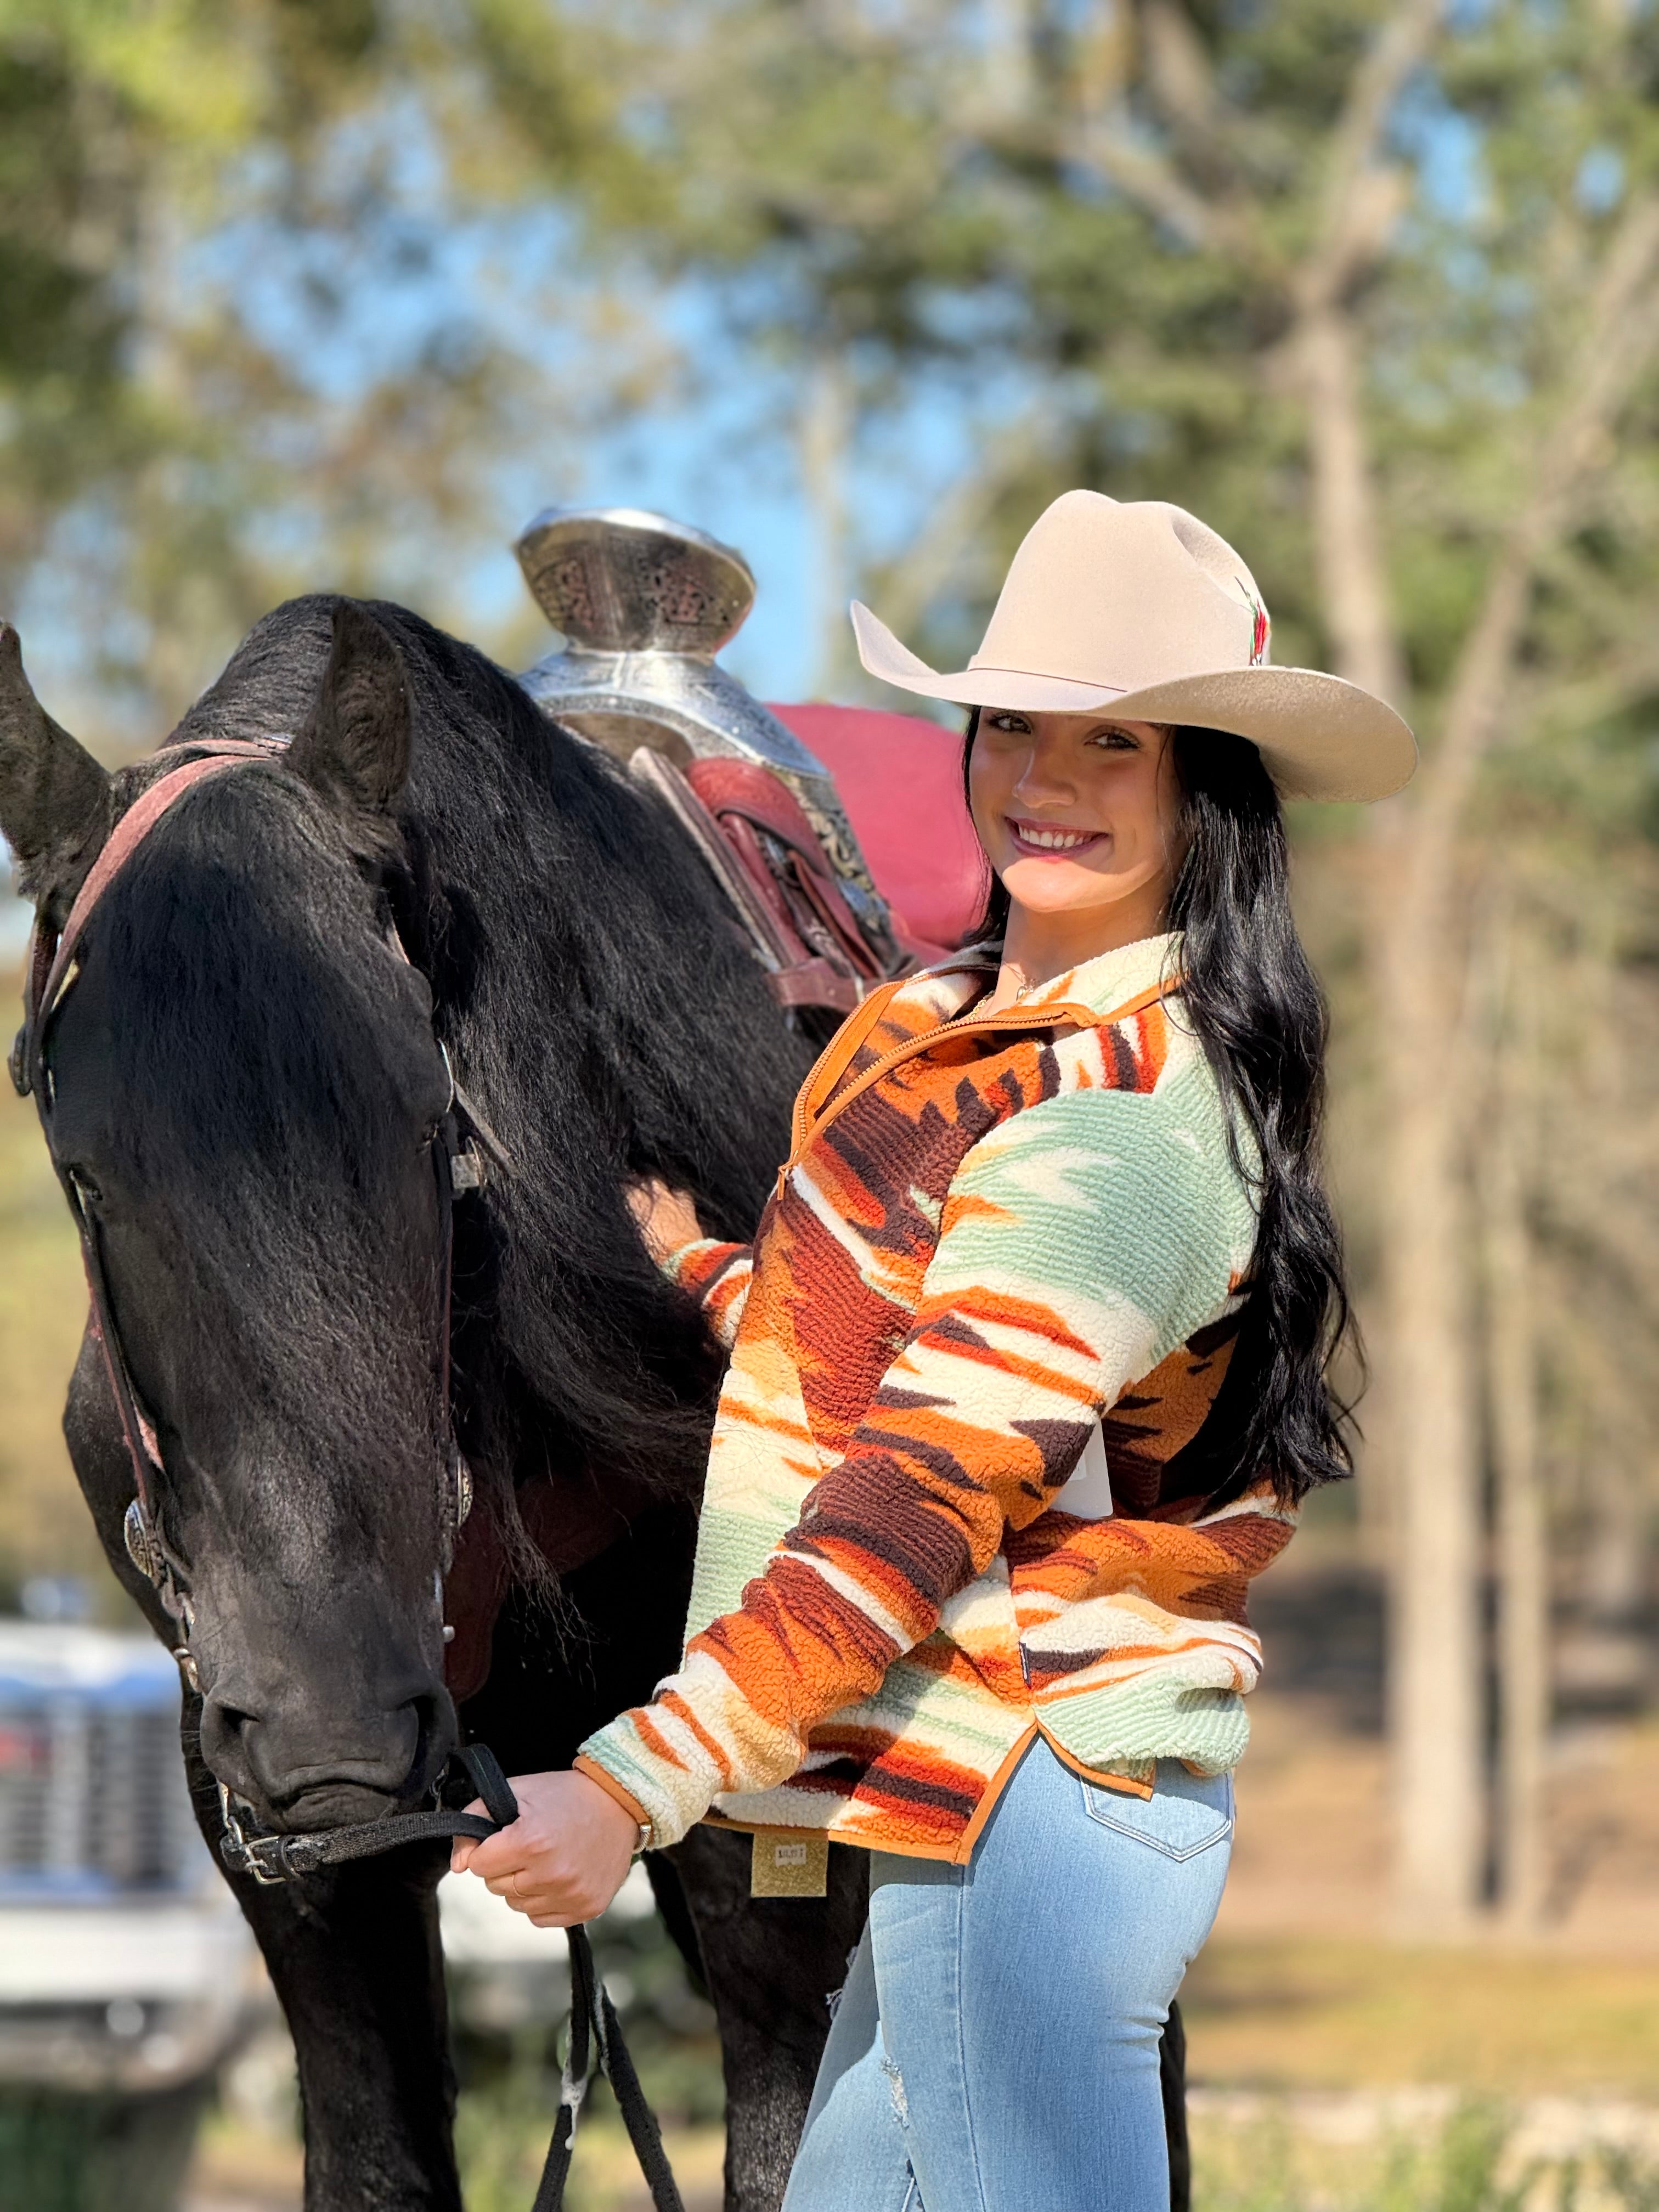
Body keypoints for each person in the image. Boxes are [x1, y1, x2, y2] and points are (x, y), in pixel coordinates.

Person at [452, 491, 1416, 2211]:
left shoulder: (1119, 1122)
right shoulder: (940, 1023)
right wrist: (714, 1279)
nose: (1045, 781)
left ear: (1210, 787)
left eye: (1115, 742)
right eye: (1017, 728)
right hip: (962, 1805)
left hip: (1028, 1801)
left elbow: (916, 1500)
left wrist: (625, 1790)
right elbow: (908, 1360)